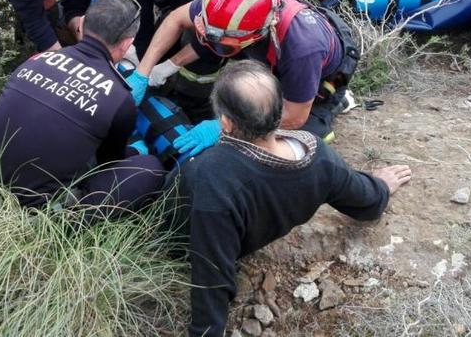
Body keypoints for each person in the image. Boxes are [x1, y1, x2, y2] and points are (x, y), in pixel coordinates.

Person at [168, 60, 411, 336]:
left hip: (175, 234)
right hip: (233, 230)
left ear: (225, 123)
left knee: (154, 149)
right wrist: (380, 186)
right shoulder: (317, 156)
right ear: (280, 111)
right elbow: (367, 203)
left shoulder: (210, 177)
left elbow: (212, 279)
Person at [0, 0, 166, 210]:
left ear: (81, 24)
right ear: (127, 43)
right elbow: (108, 164)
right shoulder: (119, 98)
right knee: (150, 168)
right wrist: (135, 151)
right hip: (29, 215)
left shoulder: (35, 61)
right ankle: (61, 221)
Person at [132, 0, 360, 155]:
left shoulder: (302, 48)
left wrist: (227, 128)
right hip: (269, 54)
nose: (214, 46)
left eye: (224, 45)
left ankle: (332, 105)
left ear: (255, 35)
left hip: (319, 80)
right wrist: (145, 71)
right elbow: (176, 19)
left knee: (271, 148)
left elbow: (295, 115)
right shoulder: (228, 4)